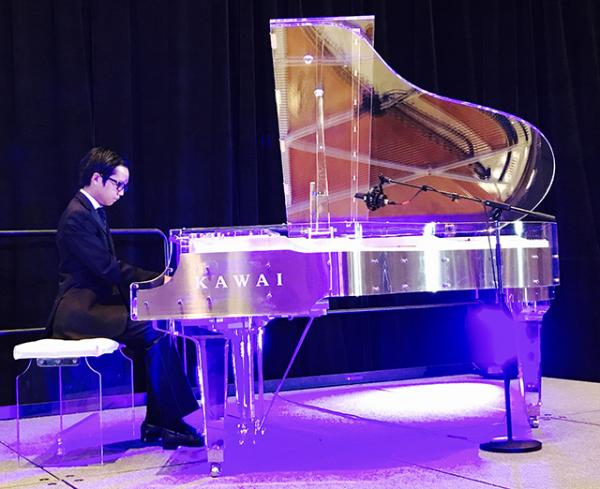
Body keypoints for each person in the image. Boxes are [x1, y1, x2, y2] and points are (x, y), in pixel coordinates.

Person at [47, 147, 203, 449]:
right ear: (96, 178)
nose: (122, 192)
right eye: (118, 185)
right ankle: (166, 422)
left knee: (157, 327)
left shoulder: (90, 211)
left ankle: (161, 421)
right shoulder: (76, 217)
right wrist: (157, 279)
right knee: (153, 327)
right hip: (80, 312)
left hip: (95, 307)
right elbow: (106, 268)